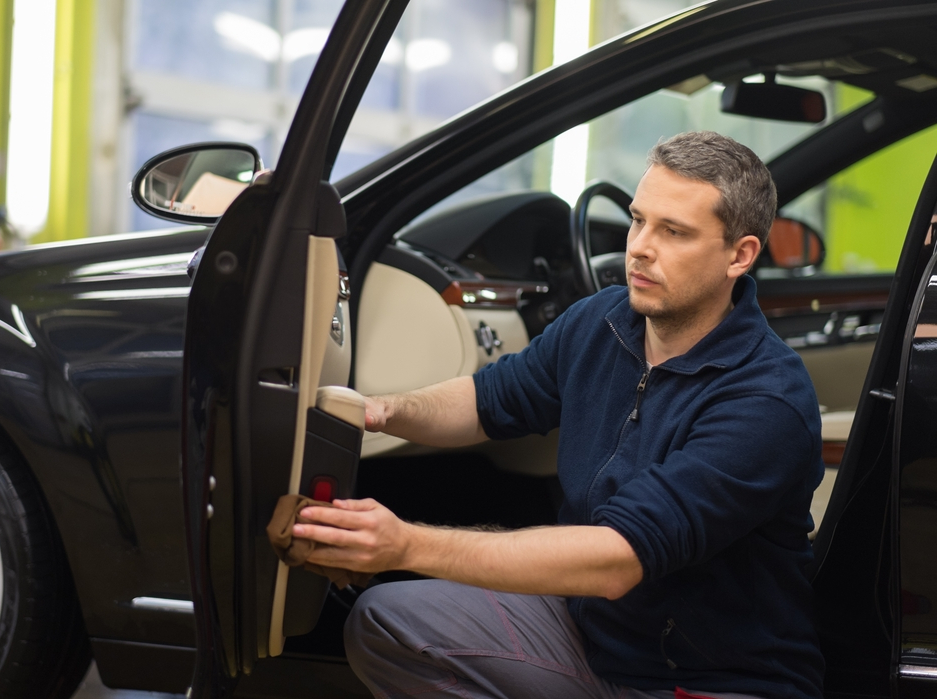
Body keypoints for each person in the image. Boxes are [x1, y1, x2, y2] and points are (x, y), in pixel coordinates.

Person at [292, 131, 825, 699]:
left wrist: (404, 545)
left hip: (709, 681)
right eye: (638, 221)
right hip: (592, 634)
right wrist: (381, 410)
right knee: (384, 622)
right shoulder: (604, 320)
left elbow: (618, 559)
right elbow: (486, 402)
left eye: (674, 232)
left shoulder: (765, 400)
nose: (640, 248)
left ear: (739, 255)